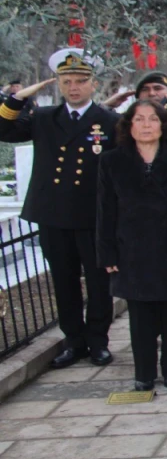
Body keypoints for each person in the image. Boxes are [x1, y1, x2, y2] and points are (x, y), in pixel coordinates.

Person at [0, 50, 119, 368]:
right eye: (67, 82)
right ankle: (74, 342)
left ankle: (98, 342)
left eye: (81, 81)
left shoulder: (109, 121)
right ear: (59, 84)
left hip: (94, 216)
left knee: (98, 283)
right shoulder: (43, 118)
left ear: (93, 84)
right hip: (54, 214)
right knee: (63, 282)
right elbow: (4, 131)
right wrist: (16, 100)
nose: (74, 87)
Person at [97, 100, 167, 391]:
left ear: (163, 125)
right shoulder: (112, 160)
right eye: (139, 119)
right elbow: (105, 209)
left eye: (152, 119)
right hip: (133, 245)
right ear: (129, 125)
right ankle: (144, 373)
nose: (146, 125)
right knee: (141, 315)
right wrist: (107, 250)